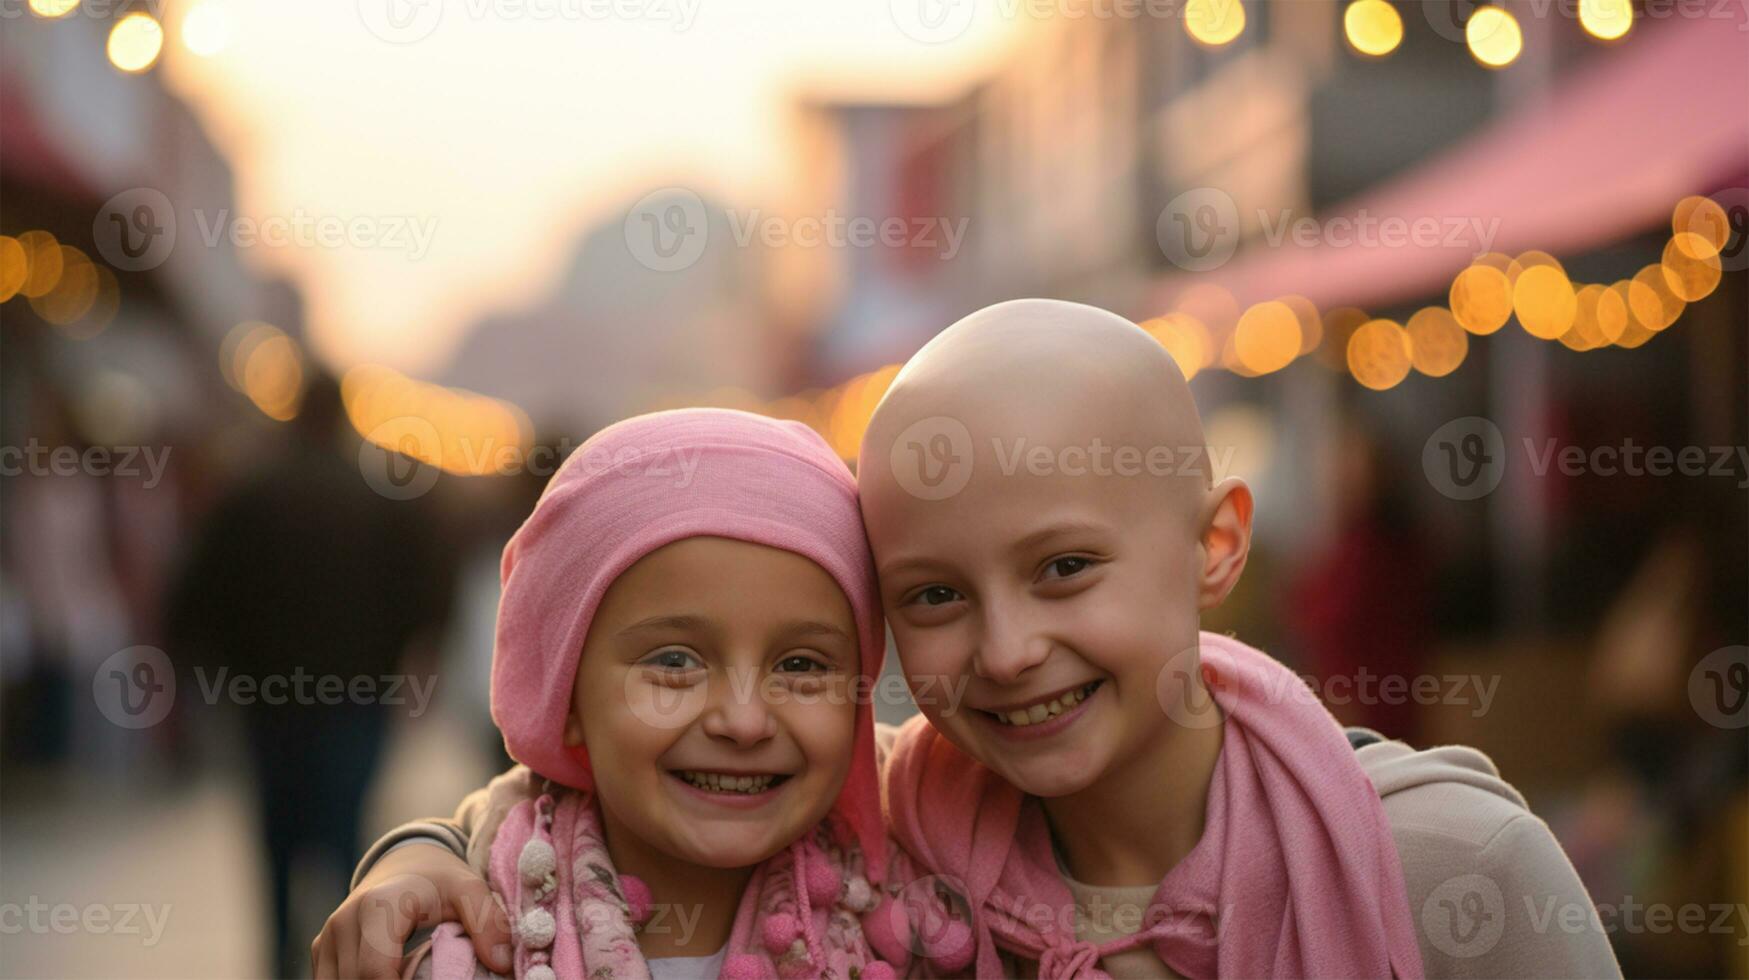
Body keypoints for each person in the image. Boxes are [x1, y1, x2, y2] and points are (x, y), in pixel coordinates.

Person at [325, 300, 1621, 978]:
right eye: (936, 596)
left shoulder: (1448, 865)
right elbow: (581, 813)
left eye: (1064, 569)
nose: (1005, 652)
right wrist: (416, 856)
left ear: (1217, 542)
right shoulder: (902, 857)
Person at [312, 409, 914, 979]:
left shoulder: (932, 893)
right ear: (565, 695)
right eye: (675, 661)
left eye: (802, 665)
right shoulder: (460, 945)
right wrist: (413, 853)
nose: (744, 720)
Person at [167, 372, 450, 980]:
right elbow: (429, 593)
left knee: (276, 837)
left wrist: (217, 674)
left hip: (270, 700)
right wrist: (404, 660)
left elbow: (197, 594)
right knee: (348, 837)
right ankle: (349, 959)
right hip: (357, 696)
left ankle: (278, 957)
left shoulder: (250, 493)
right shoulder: (381, 499)